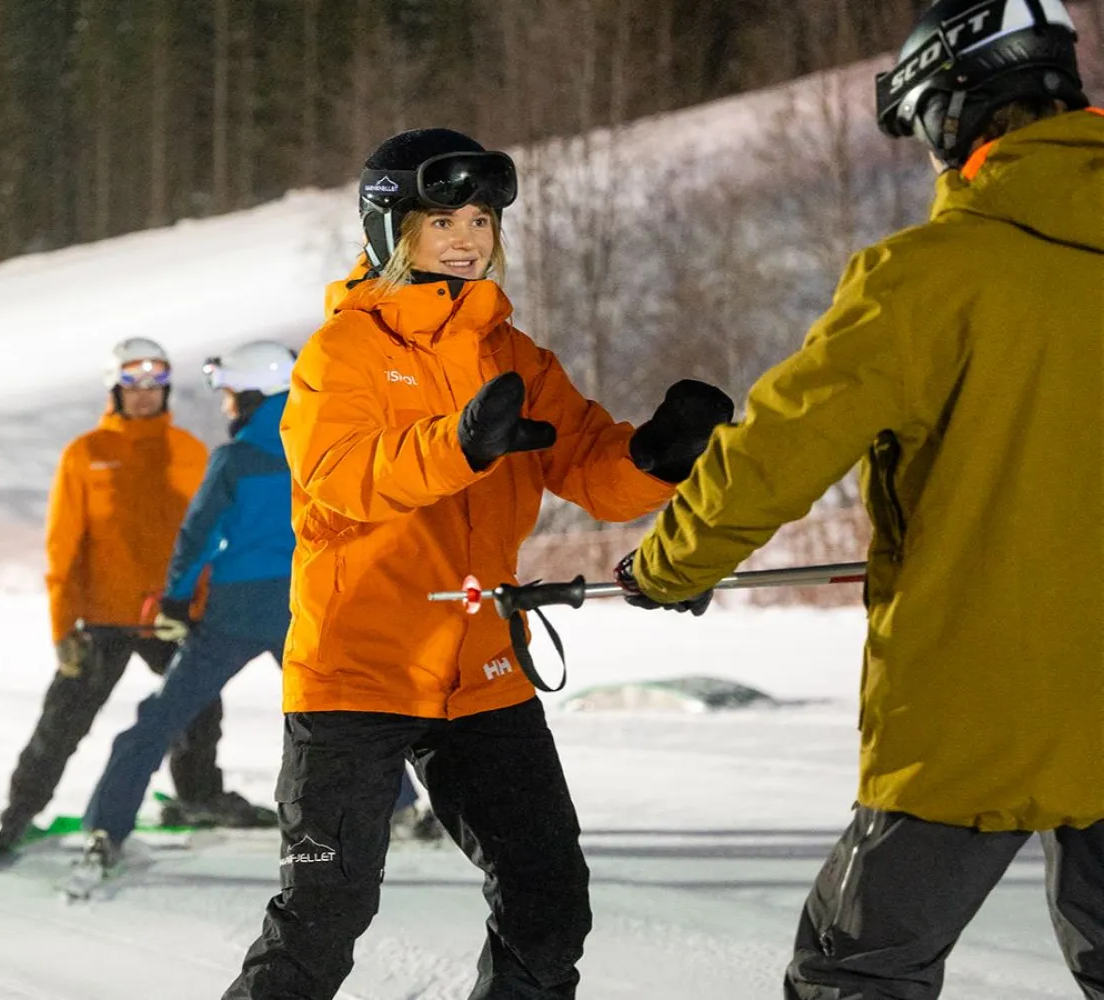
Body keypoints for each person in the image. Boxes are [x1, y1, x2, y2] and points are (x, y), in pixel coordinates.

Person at [613, 2, 1103, 996]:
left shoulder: (929, 278)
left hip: (981, 704)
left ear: (953, 116)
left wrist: (672, 564)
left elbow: (779, 447)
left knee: (855, 971)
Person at [220, 128, 733, 1000]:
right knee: (323, 917)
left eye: (482, 218)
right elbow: (339, 480)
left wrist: (652, 455)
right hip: (359, 671)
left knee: (548, 901)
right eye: (441, 219)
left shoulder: (515, 355)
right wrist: (456, 445)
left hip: (483, 671)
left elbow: (585, 466)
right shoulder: (343, 352)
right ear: (390, 229)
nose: (466, 237)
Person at [76, 341, 439, 873]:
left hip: (234, 610)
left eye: (228, 394)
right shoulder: (321, 446)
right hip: (307, 604)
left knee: (160, 718)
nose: (225, 405)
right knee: (343, 713)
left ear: (250, 394)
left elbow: (198, 534)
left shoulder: (235, 458)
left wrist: (176, 597)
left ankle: (107, 826)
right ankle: (404, 811)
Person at [0, 338, 215, 868]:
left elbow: (207, 537)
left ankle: (198, 800)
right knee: (63, 723)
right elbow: (63, 546)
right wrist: (62, 627)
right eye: (131, 383)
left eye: (154, 383)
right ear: (114, 387)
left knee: (200, 713)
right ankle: (15, 820)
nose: (144, 394)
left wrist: (199, 609)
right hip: (102, 619)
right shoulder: (87, 454)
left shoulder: (190, 451)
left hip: (168, 616)